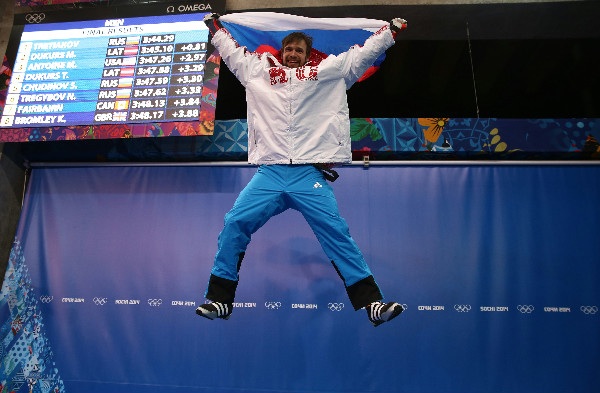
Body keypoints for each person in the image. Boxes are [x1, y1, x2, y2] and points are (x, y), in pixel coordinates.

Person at [196, 14, 408, 327]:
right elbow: (232, 54)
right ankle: (220, 300)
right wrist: (216, 30)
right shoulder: (259, 73)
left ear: (308, 55)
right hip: (270, 172)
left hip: (309, 174)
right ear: (282, 52)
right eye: (289, 49)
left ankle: (372, 303)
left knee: (337, 232)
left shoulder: (328, 72)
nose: (293, 54)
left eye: (299, 50)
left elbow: (361, 55)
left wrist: (388, 33)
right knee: (234, 223)